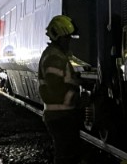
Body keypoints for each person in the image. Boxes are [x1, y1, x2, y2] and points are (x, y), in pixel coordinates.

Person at [38, 15, 82, 164]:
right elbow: (56, 88)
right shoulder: (54, 57)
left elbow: (64, 81)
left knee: (67, 154)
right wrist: (79, 99)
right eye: (67, 38)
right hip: (60, 115)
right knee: (65, 156)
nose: (69, 41)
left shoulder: (56, 55)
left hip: (61, 114)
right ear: (59, 37)